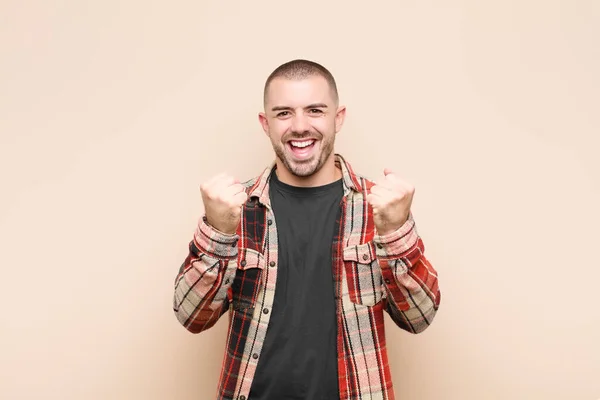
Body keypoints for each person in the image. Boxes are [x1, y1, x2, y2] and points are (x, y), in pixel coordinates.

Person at [172, 59, 441, 400]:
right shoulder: (234, 209)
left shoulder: (380, 208)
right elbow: (191, 316)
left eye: (315, 110)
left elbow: (419, 317)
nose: (300, 126)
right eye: (283, 113)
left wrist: (396, 232)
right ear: (265, 123)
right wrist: (218, 233)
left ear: (337, 118)